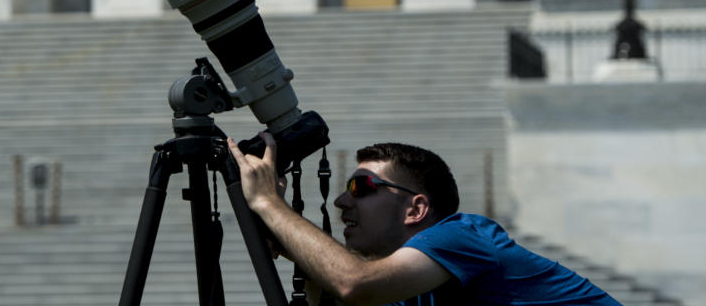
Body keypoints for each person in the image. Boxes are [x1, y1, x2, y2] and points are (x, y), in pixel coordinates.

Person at [227, 133, 621, 306]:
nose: (341, 200)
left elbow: (353, 284)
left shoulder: (461, 236)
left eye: (362, 186)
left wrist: (268, 203)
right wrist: (290, 242)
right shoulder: (413, 286)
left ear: (416, 209)